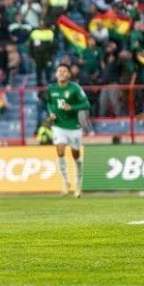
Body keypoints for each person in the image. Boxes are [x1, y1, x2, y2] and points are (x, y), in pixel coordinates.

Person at [43, 63, 89, 197]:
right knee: (60, 150)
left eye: (64, 71)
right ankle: (65, 182)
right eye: (60, 71)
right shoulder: (51, 88)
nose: (62, 73)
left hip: (74, 126)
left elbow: (86, 104)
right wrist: (51, 112)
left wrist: (72, 107)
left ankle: (78, 184)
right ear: (56, 74)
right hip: (58, 125)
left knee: (76, 155)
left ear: (69, 74)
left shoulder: (75, 88)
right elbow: (49, 103)